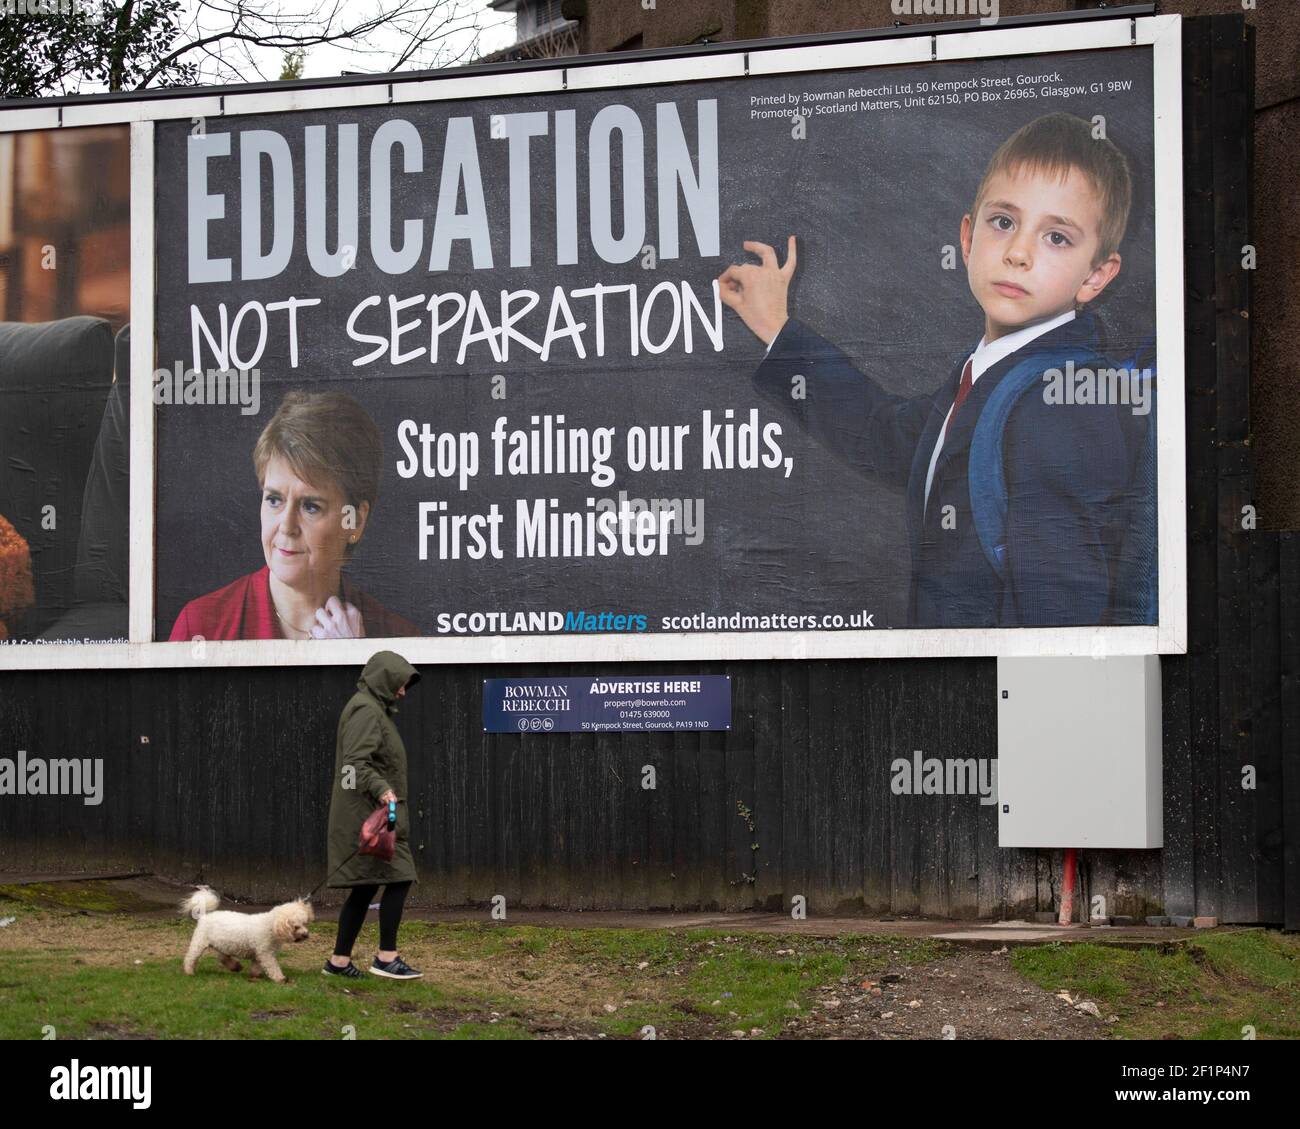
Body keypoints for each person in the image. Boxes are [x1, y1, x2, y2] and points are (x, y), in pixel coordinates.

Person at [719, 112, 1147, 628]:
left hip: (1001, 701)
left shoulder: (1056, 406)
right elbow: (885, 436)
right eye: (1004, 222)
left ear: (1096, 276)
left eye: (1056, 237)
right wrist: (778, 329)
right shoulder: (990, 375)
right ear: (967, 238)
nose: (1017, 253)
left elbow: (1056, 620)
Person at [168, 390, 419, 641]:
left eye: (310, 506)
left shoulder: (398, 637)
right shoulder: (201, 626)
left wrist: (357, 662)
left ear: (355, 521)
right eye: (274, 500)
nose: (286, 526)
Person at [324, 649, 423, 980]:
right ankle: (386, 957)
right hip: (370, 815)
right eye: (400, 684)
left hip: (369, 814)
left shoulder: (372, 709)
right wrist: (382, 789)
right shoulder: (366, 711)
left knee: (365, 887)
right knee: (401, 876)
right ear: (385, 679)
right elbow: (355, 763)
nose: (402, 692)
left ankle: (338, 962)